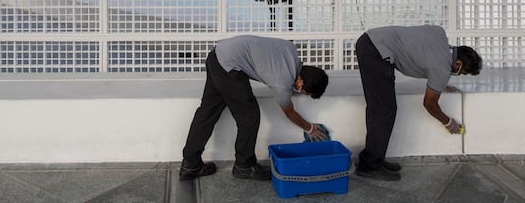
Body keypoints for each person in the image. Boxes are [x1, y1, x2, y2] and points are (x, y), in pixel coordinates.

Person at [180, 35, 330, 182]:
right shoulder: (282, 83)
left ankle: (190, 164)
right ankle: (244, 166)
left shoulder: (291, 49)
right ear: (300, 82)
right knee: (249, 117)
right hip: (230, 66)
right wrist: (310, 129)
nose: (299, 92)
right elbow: (289, 112)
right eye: (303, 91)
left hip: (217, 55)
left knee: (207, 112)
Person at [354, 25, 482, 181]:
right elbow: (430, 104)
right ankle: (369, 166)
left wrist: (441, 84)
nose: (458, 74)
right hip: (376, 51)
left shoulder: (439, 33)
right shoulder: (441, 68)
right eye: (462, 72)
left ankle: (375, 159)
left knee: (380, 107)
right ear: (458, 64)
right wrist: (448, 123)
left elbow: (423, 53)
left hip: (373, 41)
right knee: (384, 110)